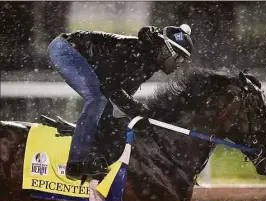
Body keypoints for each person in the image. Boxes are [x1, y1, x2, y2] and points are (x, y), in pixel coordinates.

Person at [47, 24, 194, 179]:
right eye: (178, 57)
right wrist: (139, 109)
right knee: (97, 99)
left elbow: (120, 98)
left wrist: (139, 113)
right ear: (165, 51)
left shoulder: (149, 64)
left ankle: (88, 148)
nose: (179, 64)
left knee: (108, 108)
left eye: (183, 60)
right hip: (65, 50)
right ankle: (75, 164)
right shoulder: (133, 51)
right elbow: (108, 85)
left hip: (78, 54)